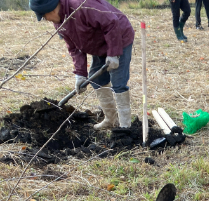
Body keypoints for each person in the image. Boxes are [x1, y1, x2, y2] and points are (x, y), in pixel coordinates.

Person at [29, 0, 134, 130]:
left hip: (119, 37)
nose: (46, 20)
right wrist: (80, 74)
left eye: (44, 17)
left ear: (52, 10)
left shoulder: (83, 6)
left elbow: (112, 22)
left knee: (118, 82)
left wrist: (113, 53)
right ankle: (111, 119)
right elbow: (74, 48)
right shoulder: (60, 23)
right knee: (97, 79)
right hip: (99, 44)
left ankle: (125, 127)